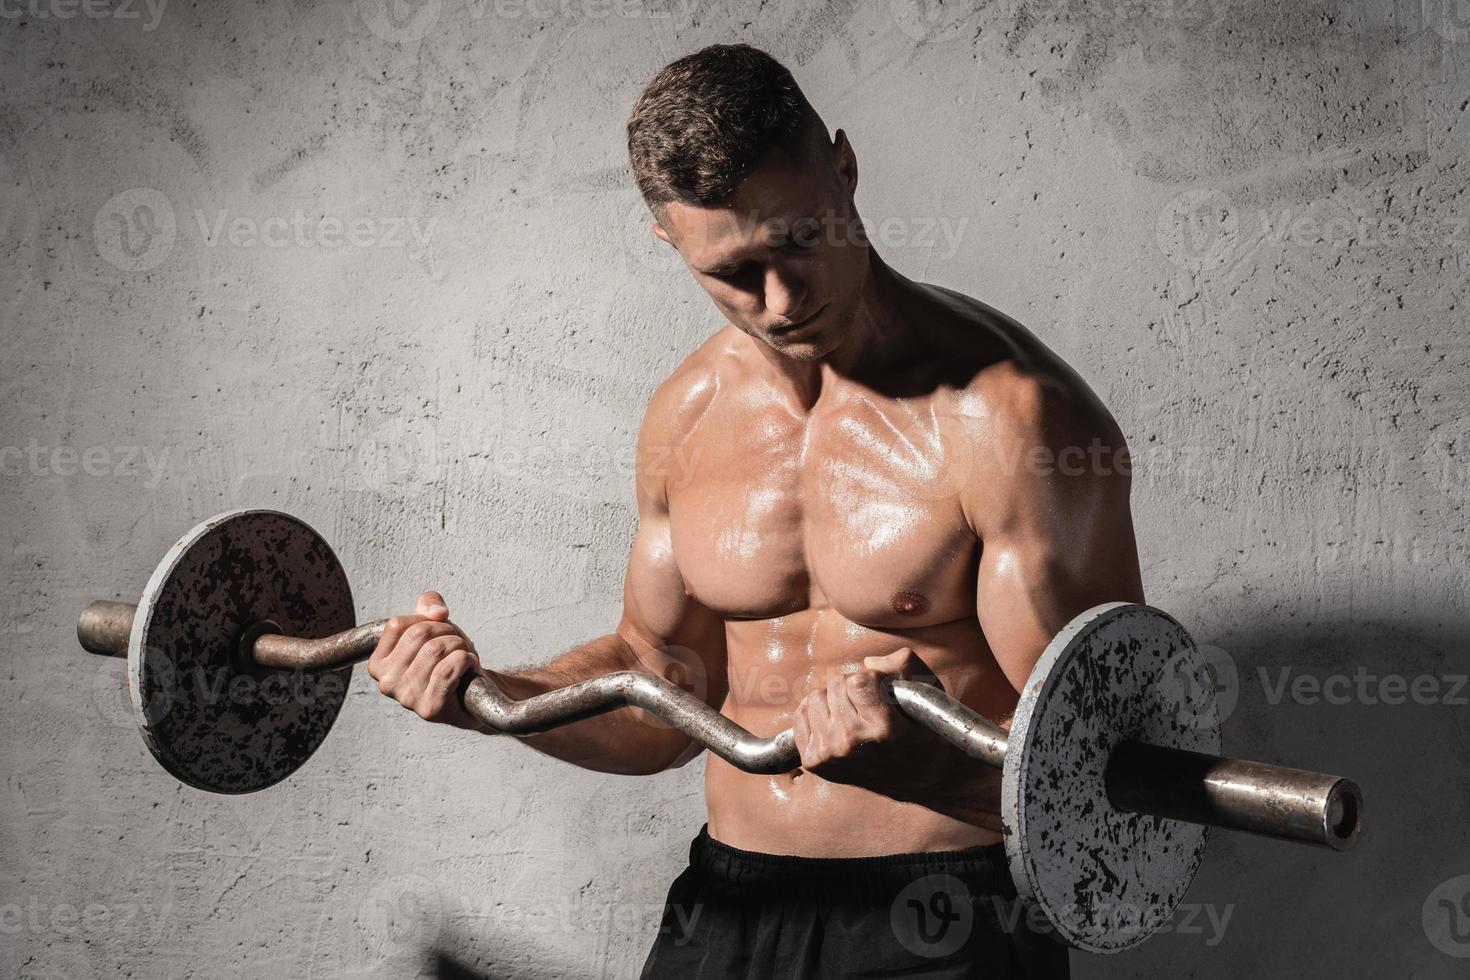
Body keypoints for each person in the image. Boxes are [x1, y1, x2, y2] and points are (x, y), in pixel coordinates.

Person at [367, 43, 1142, 978]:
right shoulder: (685, 417)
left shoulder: (1011, 420)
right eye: (735, 272)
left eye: (801, 241)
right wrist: (485, 699)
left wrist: (933, 771)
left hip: (948, 917)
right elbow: (662, 690)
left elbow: (1127, 777)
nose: (781, 302)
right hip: (730, 909)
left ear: (845, 171)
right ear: (670, 242)